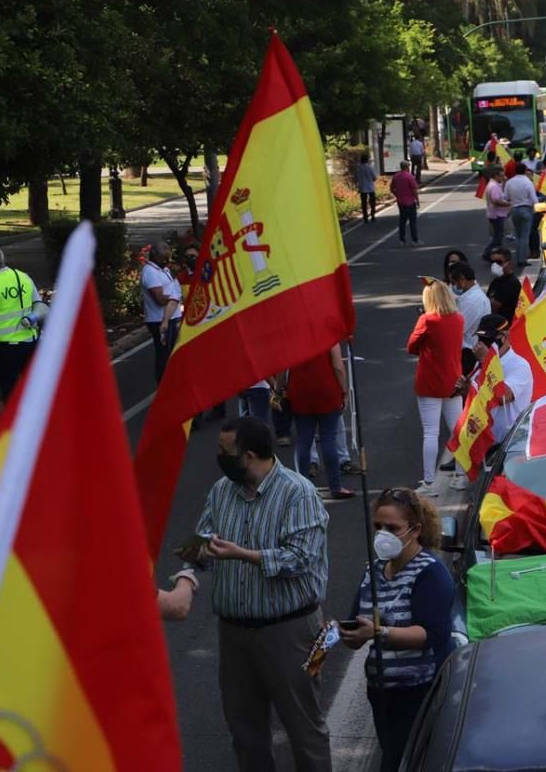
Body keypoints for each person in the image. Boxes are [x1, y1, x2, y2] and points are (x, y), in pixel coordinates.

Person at [179, 416, 332, 772]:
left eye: (224, 451)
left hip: (291, 632)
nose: (218, 456)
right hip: (234, 633)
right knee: (245, 729)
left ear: (248, 456)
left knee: (304, 728)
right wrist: (194, 556)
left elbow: (301, 559)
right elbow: (205, 537)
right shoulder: (221, 491)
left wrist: (242, 554)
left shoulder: (298, 493)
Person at [339, 488, 455, 771]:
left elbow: (431, 634)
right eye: (378, 527)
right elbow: (359, 623)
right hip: (381, 692)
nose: (382, 534)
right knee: (392, 753)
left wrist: (379, 634)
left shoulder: (430, 573)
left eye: (392, 528)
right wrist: (344, 633)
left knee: (401, 762)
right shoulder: (374, 570)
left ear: (414, 530)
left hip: (418, 692)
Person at [408, 280, 464, 496]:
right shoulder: (458, 319)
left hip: (430, 382)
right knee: (458, 430)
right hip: (454, 381)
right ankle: (460, 475)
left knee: (431, 432)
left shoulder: (427, 320)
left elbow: (411, 346)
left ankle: (429, 482)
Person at [288, 343, 354, 500]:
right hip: (327, 390)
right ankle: (335, 486)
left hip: (300, 391)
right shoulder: (328, 336)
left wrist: (280, 387)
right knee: (328, 440)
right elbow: (338, 367)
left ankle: (301, 486)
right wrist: (344, 390)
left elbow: (283, 367)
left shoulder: (292, 336)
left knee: (303, 440)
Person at [0, 247, 45, 404]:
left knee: (10, 389)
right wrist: (31, 318)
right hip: (31, 341)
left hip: (5, 347)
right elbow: (41, 307)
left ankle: (17, 424)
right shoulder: (22, 277)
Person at [472, 314, 532, 443]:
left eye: (487, 340)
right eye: (480, 339)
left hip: (508, 442)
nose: (481, 344)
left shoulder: (519, 365)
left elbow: (503, 397)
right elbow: (478, 394)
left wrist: (486, 361)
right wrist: (465, 387)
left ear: (503, 338)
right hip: (483, 439)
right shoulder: (481, 363)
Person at [141, 239, 184, 384]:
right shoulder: (150, 272)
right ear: (154, 255)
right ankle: (164, 386)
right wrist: (174, 297)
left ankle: (173, 383)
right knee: (163, 355)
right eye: (163, 257)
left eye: (167, 257)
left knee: (173, 353)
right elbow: (159, 299)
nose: (166, 260)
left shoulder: (163, 269)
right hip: (159, 320)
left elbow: (174, 287)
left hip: (173, 317)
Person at [447, 262, 490, 375]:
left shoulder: (473, 301)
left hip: (467, 355)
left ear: (462, 279)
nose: (453, 286)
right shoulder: (470, 298)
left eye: (453, 283)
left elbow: (457, 328)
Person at [504, 162, 538, 267]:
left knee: (518, 236)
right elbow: (534, 199)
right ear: (524, 171)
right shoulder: (527, 182)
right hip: (526, 209)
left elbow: (506, 197)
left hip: (514, 209)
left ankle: (518, 257)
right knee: (525, 236)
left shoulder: (509, 182)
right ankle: (522, 259)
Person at [483, 169, 511, 262]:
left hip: (494, 214)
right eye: (501, 176)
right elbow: (495, 201)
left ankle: (497, 254)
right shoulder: (494, 186)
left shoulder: (493, 185)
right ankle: (488, 253)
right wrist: (507, 204)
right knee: (498, 237)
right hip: (497, 215)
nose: (503, 178)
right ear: (496, 176)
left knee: (497, 236)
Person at [486, 248, 520, 323]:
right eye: (492, 262)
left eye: (498, 262)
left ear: (509, 263)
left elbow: (492, 307)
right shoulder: (495, 281)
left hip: (504, 326)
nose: (494, 265)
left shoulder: (512, 283)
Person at [389, 161, 420, 245]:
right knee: (412, 222)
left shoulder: (396, 176)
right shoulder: (409, 176)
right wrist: (417, 200)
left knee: (402, 221)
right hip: (410, 202)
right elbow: (414, 190)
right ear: (407, 167)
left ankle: (402, 240)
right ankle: (414, 240)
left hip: (401, 202)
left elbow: (391, 188)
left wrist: (397, 195)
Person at [356, 152, 378, 222]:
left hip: (362, 187)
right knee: (372, 202)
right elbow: (374, 177)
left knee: (364, 203)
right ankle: (373, 215)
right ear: (367, 160)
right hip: (370, 187)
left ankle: (365, 216)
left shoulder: (358, 168)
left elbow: (356, 177)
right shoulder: (370, 167)